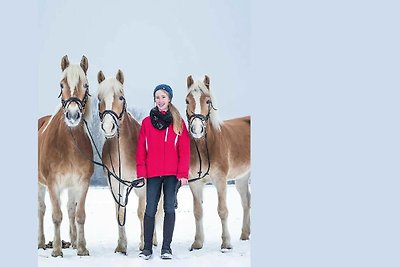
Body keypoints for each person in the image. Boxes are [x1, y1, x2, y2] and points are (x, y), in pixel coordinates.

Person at [136, 84, 190, 260]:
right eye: (157, 97)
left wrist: (183, 174)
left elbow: (185, 150)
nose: (160, 100)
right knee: (150, 208)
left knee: (169, 208)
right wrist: (141, 173)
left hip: (172, 175)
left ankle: (166, 248)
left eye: (163, 97)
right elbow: (140, 150)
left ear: (169, 99)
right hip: (152, 174)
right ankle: (147, 248)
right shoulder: (146, 122)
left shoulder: (178, 122)